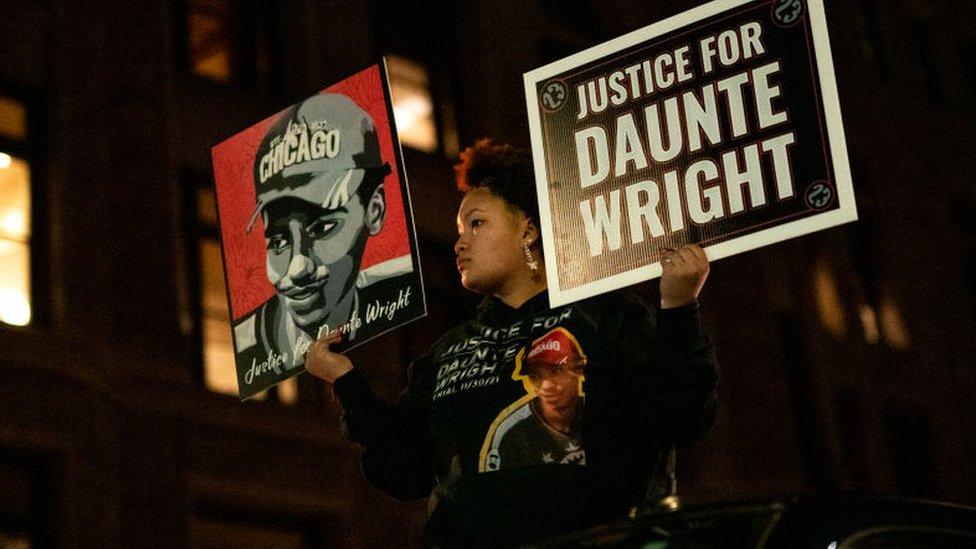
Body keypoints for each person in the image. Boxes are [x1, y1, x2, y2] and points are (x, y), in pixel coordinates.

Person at [305, 139, 717, 546]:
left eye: (477, 224)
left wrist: (678, 306)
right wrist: (347, 381)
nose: (460, 242)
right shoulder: (445, 353)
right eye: (459, 231)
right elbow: (403, 472)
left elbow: (681, 416)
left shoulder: (607, 317)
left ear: (530, 229)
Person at [233, 93, 417, 377]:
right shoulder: (247, 348)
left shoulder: (399, 290)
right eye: (279, 242)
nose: (298, 267)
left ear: (375, 210)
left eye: (322, 228)